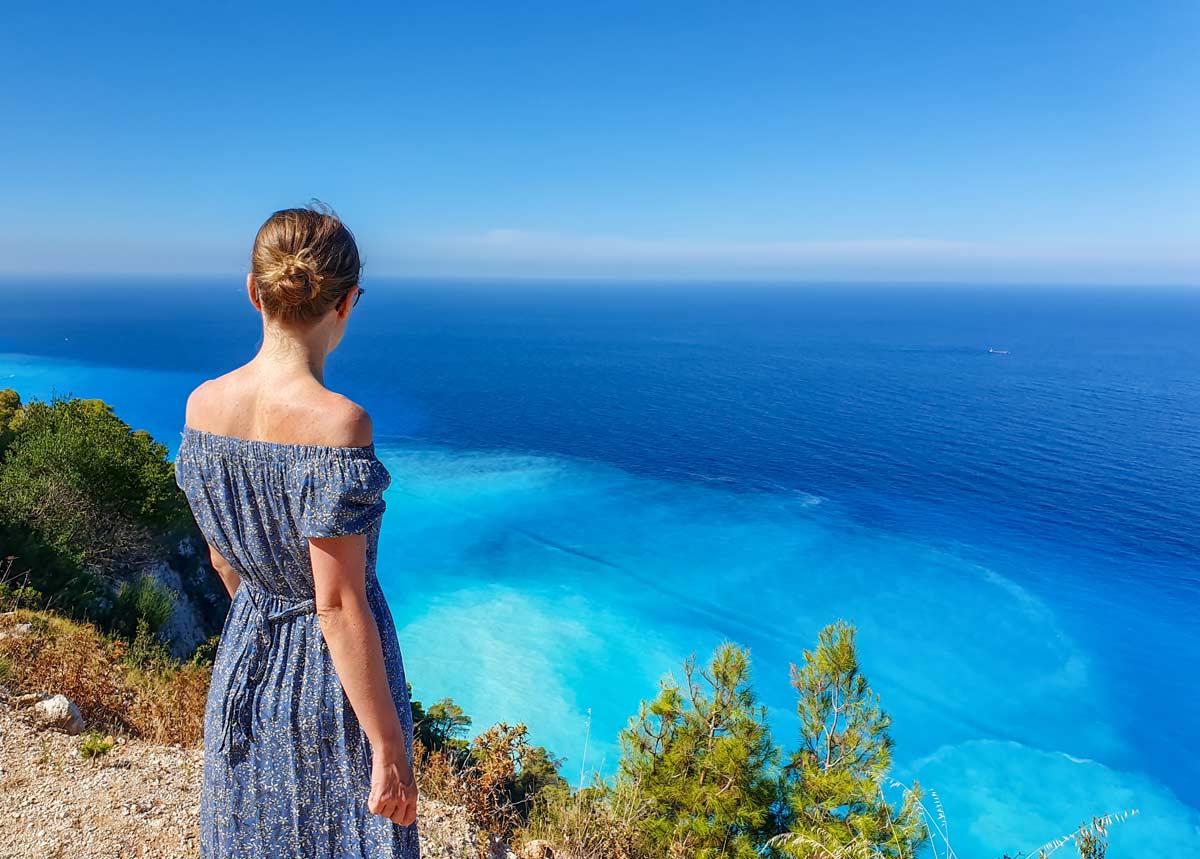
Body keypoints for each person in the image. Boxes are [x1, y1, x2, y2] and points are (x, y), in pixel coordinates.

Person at [174, 203, 420, 857]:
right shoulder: (340, 426)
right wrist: (388, 747)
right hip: (331, 690)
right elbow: (338, 604)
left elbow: (223, 560)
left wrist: (267, 626)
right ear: (348, 303)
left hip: (245, 663)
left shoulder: (202, 407)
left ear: (254, 291)